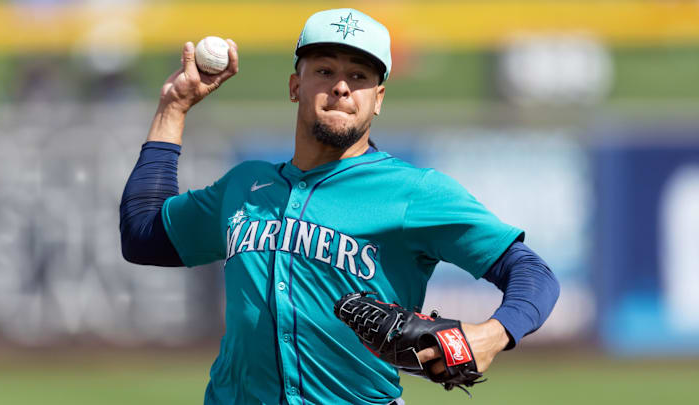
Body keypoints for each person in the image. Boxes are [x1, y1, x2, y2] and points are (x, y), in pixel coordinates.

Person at [120, 8, 560, 405]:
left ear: (379, 98)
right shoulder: (245, 186)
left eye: (360, 76)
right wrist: (173, 107)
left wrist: (491, 335)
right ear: (296, 86)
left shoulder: (412, 192)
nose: (342, 87)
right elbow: (143, 237)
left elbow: (531, 273)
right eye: (325, 70)